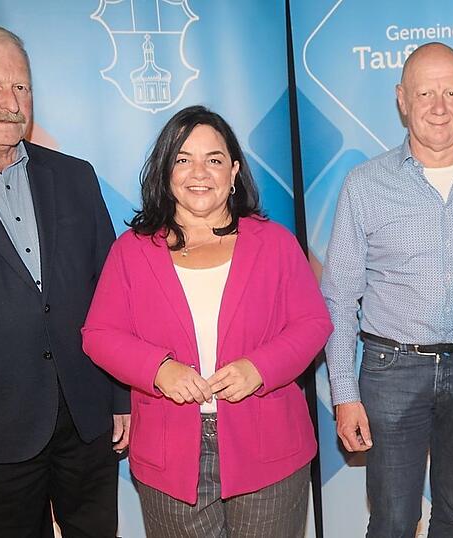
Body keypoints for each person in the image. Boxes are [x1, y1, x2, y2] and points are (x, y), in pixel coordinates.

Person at [82, 105, 332, 537]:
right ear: (166, 171)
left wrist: (260, 368)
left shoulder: (274, 243)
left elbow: (313, 323)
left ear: (233, 171)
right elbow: (100, 334)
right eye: (183, 159)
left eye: (214, 159)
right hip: (170, 456)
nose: (199, 172)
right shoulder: (132, 250)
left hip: (268, 447)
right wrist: (157, 369)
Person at [0, 24, 129, 537]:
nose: (10, 102)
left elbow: (112, 295)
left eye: (21, 86)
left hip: (86, 416)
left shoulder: (74, 176)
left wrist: (121, 397)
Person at [321, 42, 453, 537]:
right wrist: (345, 394)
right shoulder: (364, 184)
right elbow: (339, 296)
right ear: (401, 99)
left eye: (451, 92)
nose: (439, 106)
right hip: (391, 371)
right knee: (393, 519)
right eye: (425, 93)